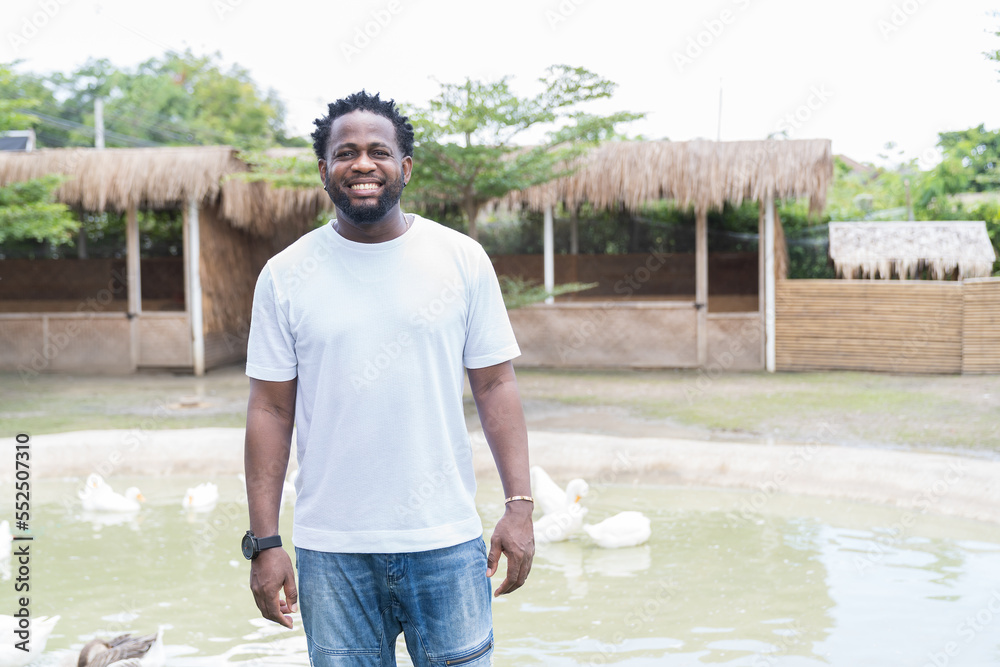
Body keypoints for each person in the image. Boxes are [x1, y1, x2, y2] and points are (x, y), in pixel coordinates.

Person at [243, 90, 534, 667]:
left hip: (446, 542)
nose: (363, 164)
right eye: (345, 152)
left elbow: (496, 386)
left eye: (379, 150)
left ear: (404, 167)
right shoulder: (284, 275)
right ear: (324, 169)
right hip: (332, 554)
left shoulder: (462, 259)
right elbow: (270, 411)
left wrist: (519, 506)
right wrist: (266, 541)